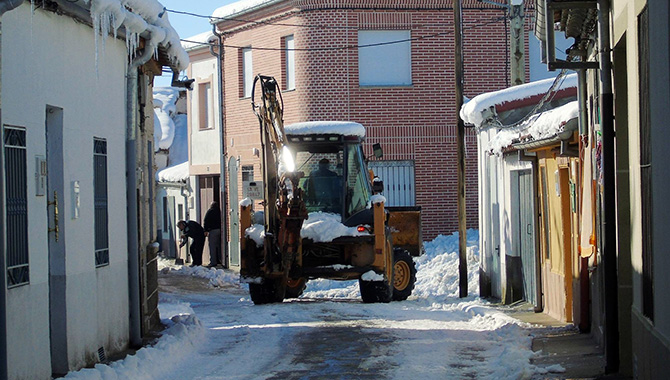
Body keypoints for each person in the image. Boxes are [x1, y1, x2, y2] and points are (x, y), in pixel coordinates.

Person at [203, 201, 222, 268]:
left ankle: (213, 262)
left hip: (213, 230)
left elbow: (206, 221)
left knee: (212, 246)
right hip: (220, 230)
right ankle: (221, 260)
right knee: (220, 246)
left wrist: (205, 230)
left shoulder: (210, 211)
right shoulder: (220, 212)